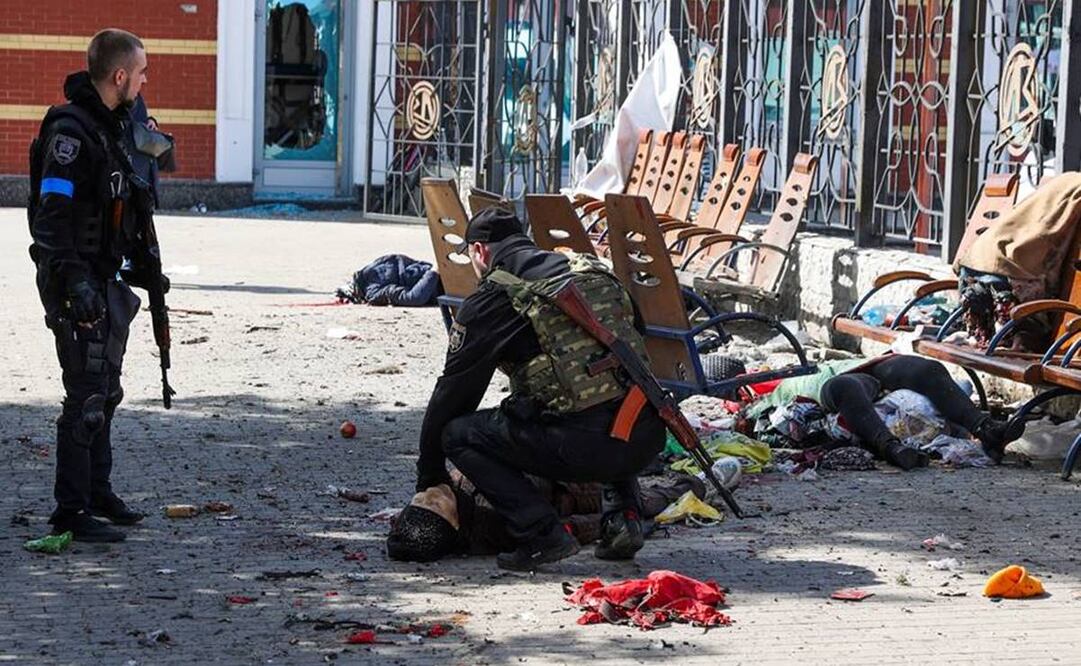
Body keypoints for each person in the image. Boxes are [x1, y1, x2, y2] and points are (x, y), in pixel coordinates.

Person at [415, 207, 667, 571]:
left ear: (479, 252)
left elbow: (453, 393)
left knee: (458, 434)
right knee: (611, 393)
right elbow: (634, 342)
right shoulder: (590, 271)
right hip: (646, 438)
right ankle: (622, 520)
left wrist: (430, 471)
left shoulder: (495, 297)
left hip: (584, 450)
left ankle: (541, 533)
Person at [28, 29, 162, 542]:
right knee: (84, 394)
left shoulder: (110, 129)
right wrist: (74, 281)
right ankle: (70, 511)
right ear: (120, 75)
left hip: (102, 278)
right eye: (142, 72)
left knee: (106, 391)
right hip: (73, 280)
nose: (146, 80)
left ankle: (99, 492)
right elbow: (51, 216)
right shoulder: (70, 133)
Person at [387, 471, 704, 562]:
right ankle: (692, 485)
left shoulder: (455, 492)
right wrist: (617, 526)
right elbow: (569, 530)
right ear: (454, 524)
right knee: (643, 500)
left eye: (420, 500)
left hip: (559, 473)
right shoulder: (493, 524)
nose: (430, 494)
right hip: (573, 492)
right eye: (435, 505)